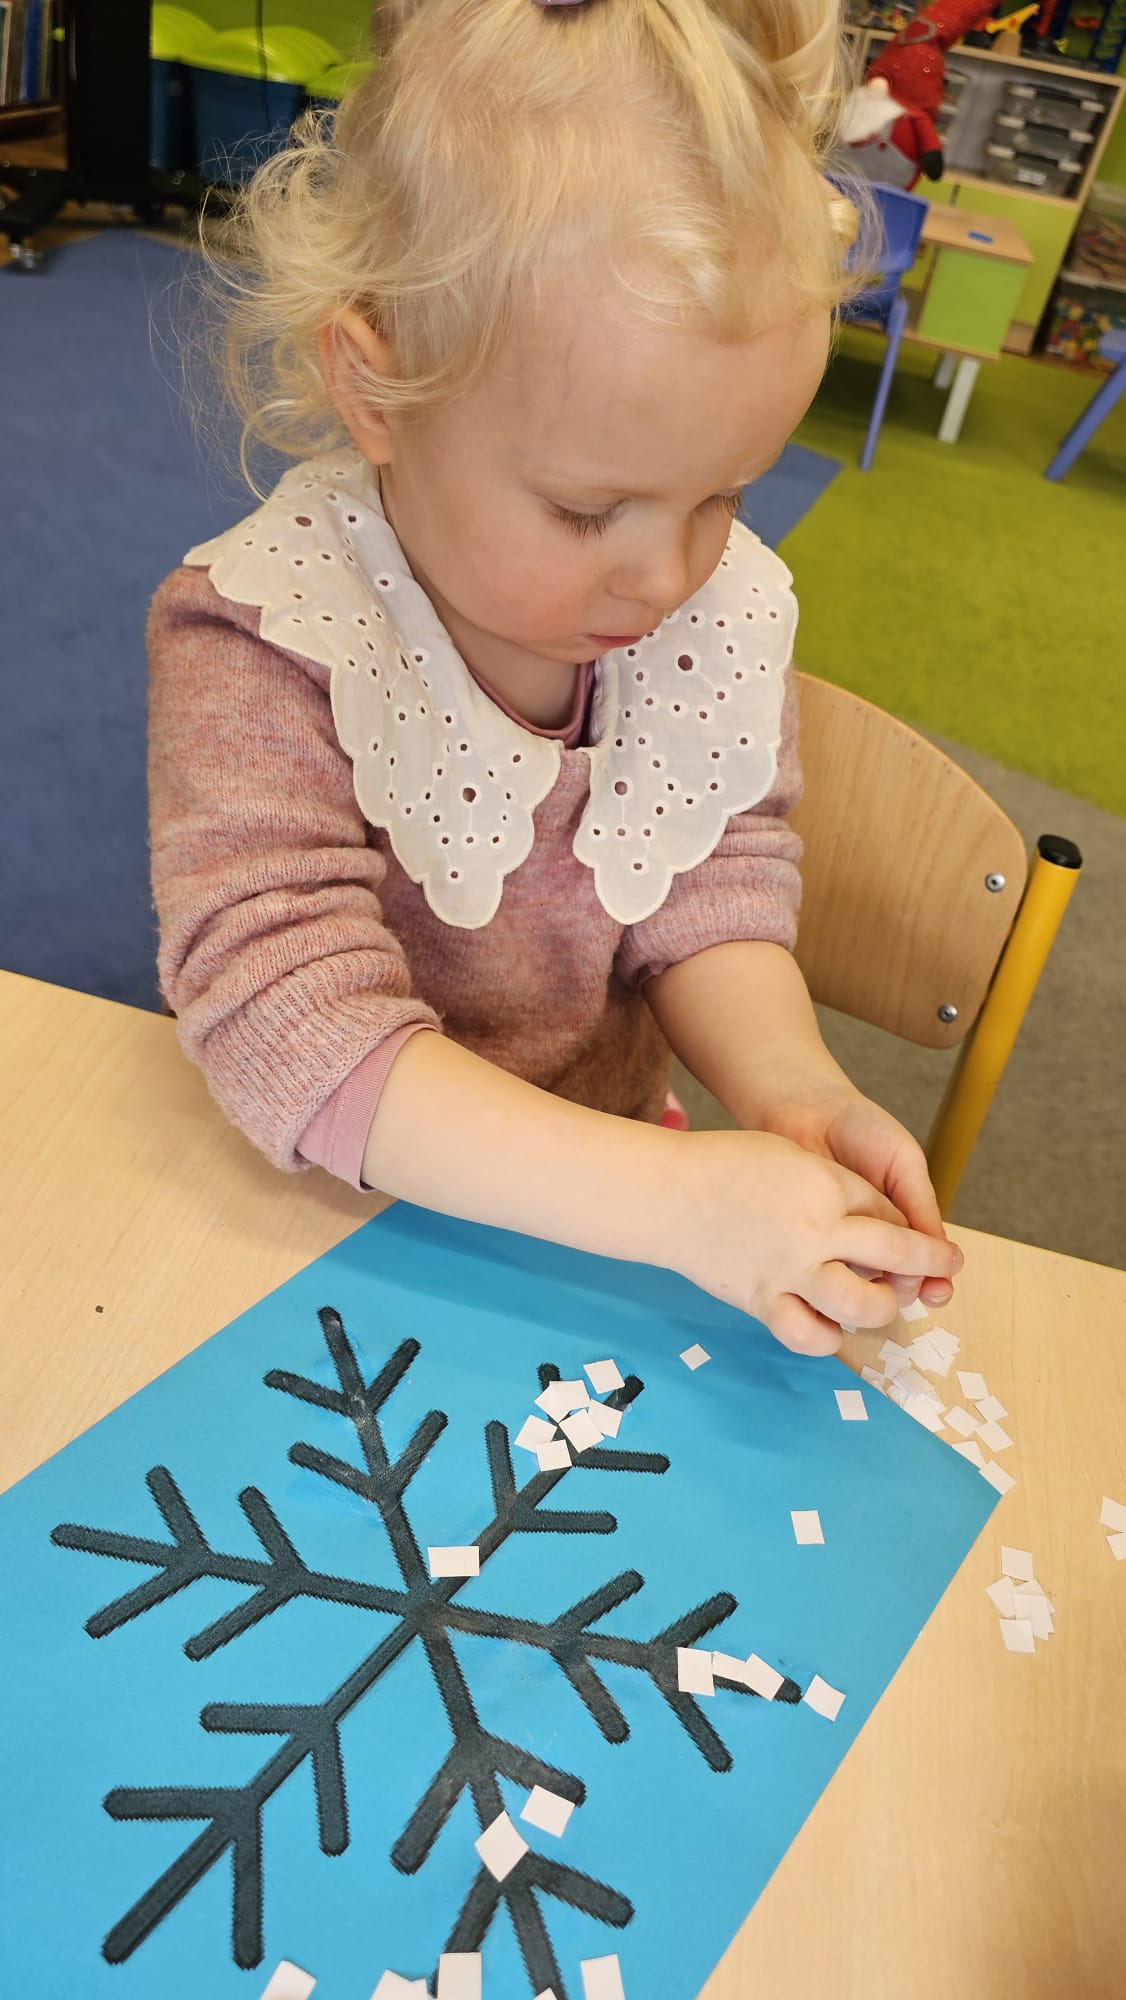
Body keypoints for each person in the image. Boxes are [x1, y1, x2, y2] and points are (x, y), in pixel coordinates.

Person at [148, 0, 962, 1357]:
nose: (669, 576)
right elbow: (285, 1014)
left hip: (617, 1211)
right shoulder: (263, 633)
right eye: (590, 512)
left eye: (727, 494)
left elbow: (707, 879)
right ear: (377, 391)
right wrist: (671, 1201)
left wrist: (791, 1091)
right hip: (321, 1216)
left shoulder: (704, 599)